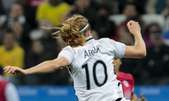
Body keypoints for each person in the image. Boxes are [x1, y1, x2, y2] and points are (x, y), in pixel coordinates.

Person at [4, 15, 146, 101]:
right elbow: (140, 52)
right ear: (89, 31)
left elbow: (54, 64)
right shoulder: (106, 44)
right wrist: (137, 33)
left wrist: (26, 71)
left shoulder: (71, 52)